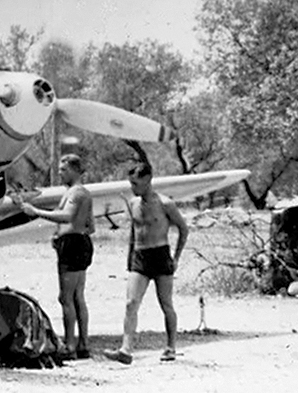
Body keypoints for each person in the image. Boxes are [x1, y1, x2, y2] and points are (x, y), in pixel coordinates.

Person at [104, 163, 189, 365]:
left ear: (148, 180)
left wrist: (176, 258)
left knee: (166, 303)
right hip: (140, 256)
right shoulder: (133, 203)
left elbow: (183, 229)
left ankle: (171, 347)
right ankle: (126, 349)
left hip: (160, 254)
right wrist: (129, 259)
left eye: (136, 183)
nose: (133, 188)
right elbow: (134, 232)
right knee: (130, 303)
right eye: (131, 183)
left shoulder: (165, 203)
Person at [20, 153, 95, 359]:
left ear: (73, 170)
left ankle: (70, 346)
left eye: (63, 170)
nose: (60, 173)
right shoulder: (84, 194)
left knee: (66, 298)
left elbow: (67, 216)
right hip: (80, 243)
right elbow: (91, 226)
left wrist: (36, 211)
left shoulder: (75, 193)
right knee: (78, 296)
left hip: (71, 247)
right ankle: (83, 344)